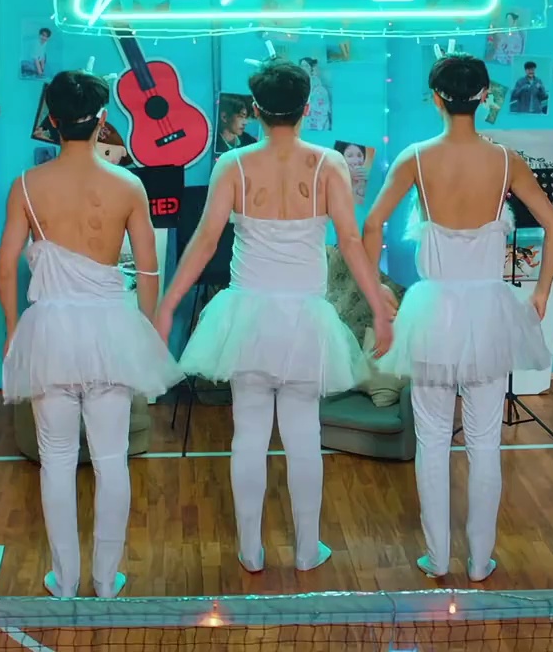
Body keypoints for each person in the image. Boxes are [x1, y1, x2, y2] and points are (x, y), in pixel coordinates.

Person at [155, 58, 393, 574]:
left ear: (257, 111)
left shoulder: (232, 165)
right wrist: (379, 307)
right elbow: (350, 242)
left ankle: (250, 550)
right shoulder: (329, 164)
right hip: (306, 320)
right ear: (307, 109)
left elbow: (204, 241)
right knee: (304, 435)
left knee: (248, 435)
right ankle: (307, 550)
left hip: (247, 320)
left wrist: (169, 304)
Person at [360, 52, 553, 583]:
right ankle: (479, 559)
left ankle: (437, 557)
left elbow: (372, 225)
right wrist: (540, 292)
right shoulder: (506, 160)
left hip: (433, 313)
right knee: (484, 442)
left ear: (436, 99)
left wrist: (378, 291)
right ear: (485, 96)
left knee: (431, 440)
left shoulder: (416, 158)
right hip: (489, 313)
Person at [0, 71, 180, 599]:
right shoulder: (128, 185)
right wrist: (147, 328)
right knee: (111, 459)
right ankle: (104, 579)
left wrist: (11, 329)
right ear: (102, 120)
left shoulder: (26, 186)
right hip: (110, 331)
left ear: (52, 121)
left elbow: (5, 267)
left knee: (56, 460)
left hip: (50, 333)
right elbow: (148, 270)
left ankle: (65, 579)